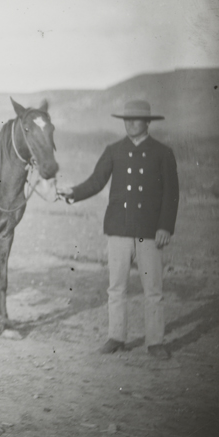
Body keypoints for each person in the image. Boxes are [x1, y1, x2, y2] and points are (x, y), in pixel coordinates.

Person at [57, 100, 179, 359]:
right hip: (118, 230)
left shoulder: (163, 153)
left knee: (153, 289)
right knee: (116, 288)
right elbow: (96, 182)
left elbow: (171, 194)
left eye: (136, 119)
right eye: (127, 119)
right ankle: (116, 337)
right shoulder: (114, 150)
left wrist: (165, 227)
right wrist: (73, 192)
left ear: (148, 122)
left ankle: (155, 341)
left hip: (149, 233)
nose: (130, 123)